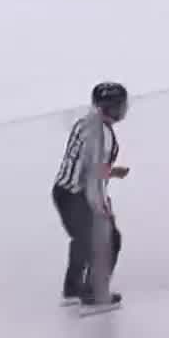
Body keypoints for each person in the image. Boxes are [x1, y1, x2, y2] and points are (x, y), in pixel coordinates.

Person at [53, 81, 128, 312]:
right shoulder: (103, 136)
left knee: (82, 242)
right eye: (121, 105)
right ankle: (94, 294)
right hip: (79, 196)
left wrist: (111, 172)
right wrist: (102, 207)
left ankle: (73, 288)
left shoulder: (85, 122)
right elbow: (92, 176)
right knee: (110, 240)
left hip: (62, 192)